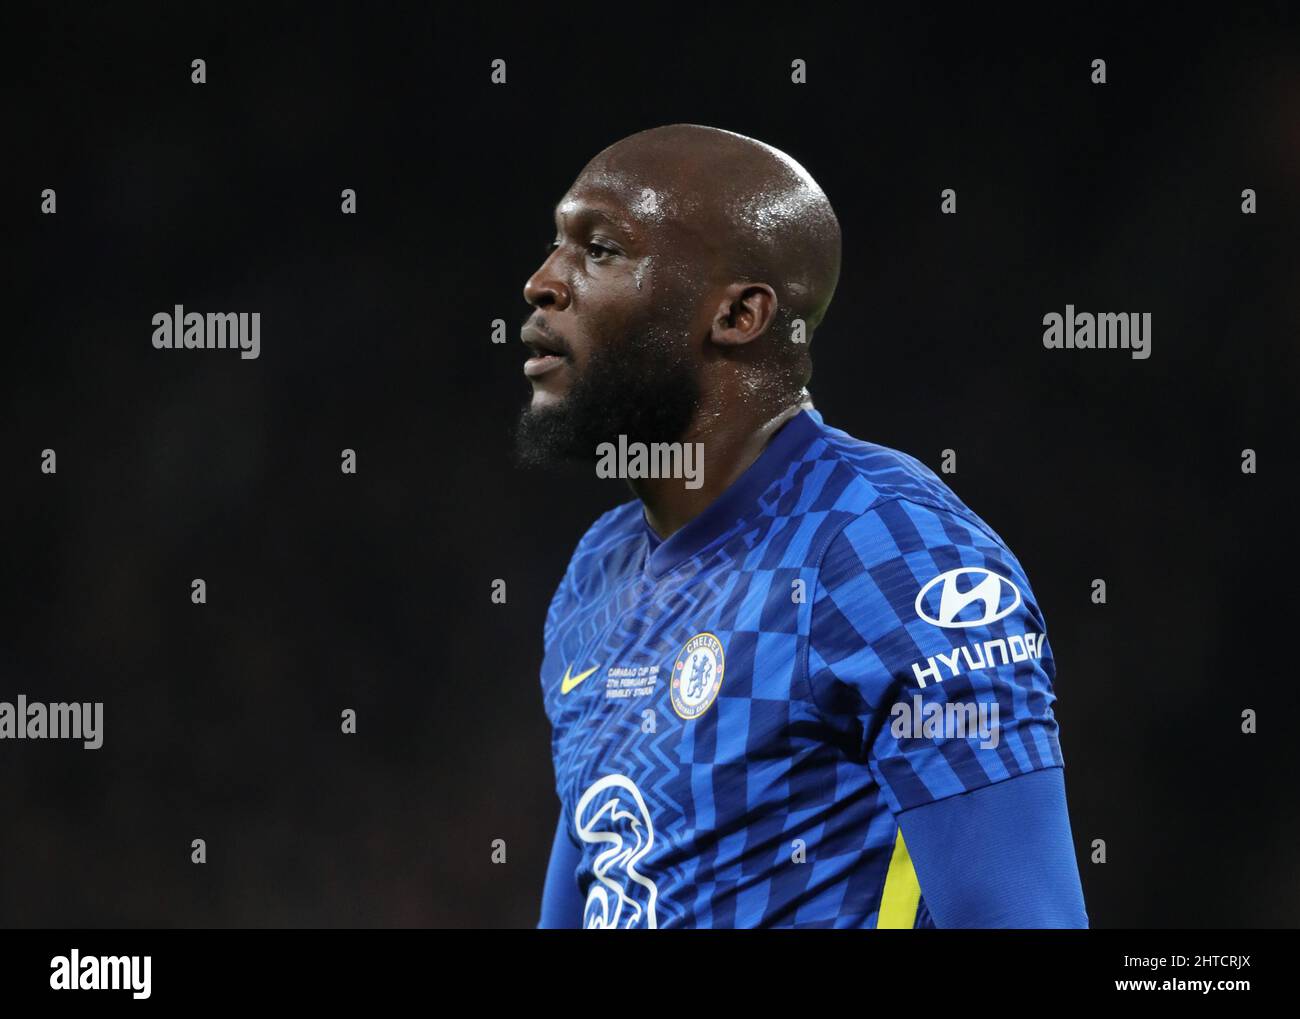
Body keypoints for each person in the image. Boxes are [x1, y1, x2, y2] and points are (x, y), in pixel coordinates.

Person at [516, 124, 1088, 928]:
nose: (543, 282)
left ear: (740, 314)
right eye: (555, 244)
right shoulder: (599, 571)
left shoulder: (891, 556)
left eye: (600, 249)